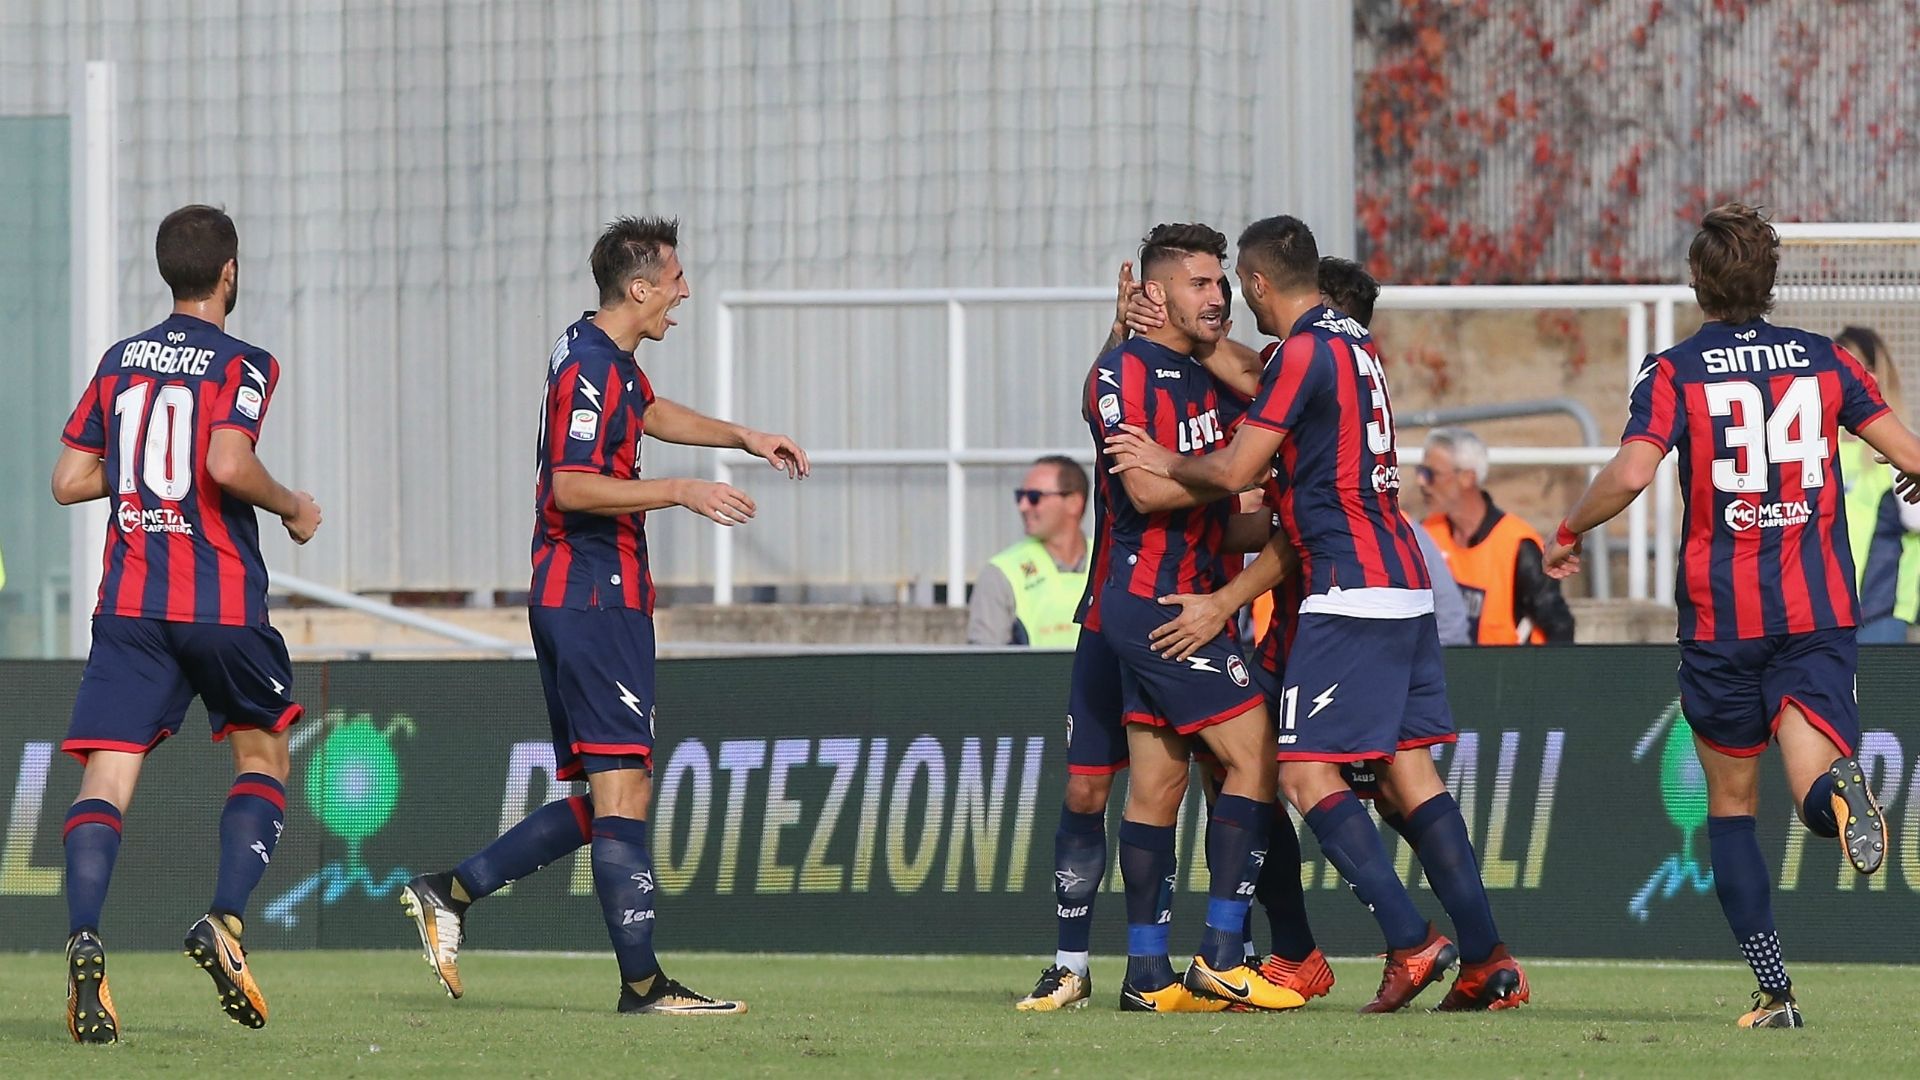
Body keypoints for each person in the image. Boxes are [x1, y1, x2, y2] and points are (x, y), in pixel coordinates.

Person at [1108, 215, 1528, 1013]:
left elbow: (1238, 470)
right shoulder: (1349, 345)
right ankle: (1485, 960)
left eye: (1235, 286)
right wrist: (1168, 325)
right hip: (1398, 584)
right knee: (1403, 775)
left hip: (1344, 591)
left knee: (1294, 770)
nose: (1232, 301)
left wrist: (1163, 459)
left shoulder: (1303, 353)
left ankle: (1406, 941)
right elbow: (1244, 366)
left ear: (1260, 283)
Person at [400, 216, 808, 1016]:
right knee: (623, 790)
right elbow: (573, 486)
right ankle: (644, 986)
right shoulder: (591, 366)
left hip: (585, 595)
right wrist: (681, 490)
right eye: (676, 279)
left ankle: (454, 890)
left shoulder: (598, 353)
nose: (685, 292)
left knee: (621, 792)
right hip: (593, 593)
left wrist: (744, 436)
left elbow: (647, 411)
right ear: (640, 287)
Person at [1544, 203, 1920, 1028]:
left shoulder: (1675, 371)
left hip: (1723, 623)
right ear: (1771, 278)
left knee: (1732, 809)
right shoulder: (1826, 360)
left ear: (1698, 281)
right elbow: (1909, 452)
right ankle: (1840, 790)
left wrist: (1568, 529)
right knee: (1813, 785)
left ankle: (1775, 991)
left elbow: (1632, 474)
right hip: (1816, 614)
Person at [49, 205, 324, 1043]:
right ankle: (225, 921)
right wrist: (292, 506)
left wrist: (139, 470)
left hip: (131, 605)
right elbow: (227, 463)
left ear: (168, 271)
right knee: (264, 755)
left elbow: (68, 480)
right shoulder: (244, 362)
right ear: (229, 272)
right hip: (218, 602)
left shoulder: (120, 360)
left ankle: (85, 937)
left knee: (106, 780)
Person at [1017, 261, 1314, 1013]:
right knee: (1093, 785)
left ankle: (1160, 969)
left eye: (1222, 283)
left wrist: (1269, 505)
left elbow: (1254, 422)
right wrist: (1230, 474)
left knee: (1173, 782)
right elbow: (1143, 483)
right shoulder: (1123, 370)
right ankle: (1080, 962)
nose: (1218, 296)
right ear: (1155, 295)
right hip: (1130, 607)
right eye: (1200, 284)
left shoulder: (1228, 380)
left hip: (1192, 602)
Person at [1419, 427, 1576, 644]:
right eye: (1421, 472)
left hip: (1506, 665)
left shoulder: (1518, 545)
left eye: (1430, 474)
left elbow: (1560, 626)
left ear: (1467, 478)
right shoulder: (1425, 535)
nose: (1421, 482)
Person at [1833, 326, 1920, 643]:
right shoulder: (1821, 447)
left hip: (1879, 612)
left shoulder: (1903, 448)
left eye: (1859, 367)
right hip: (1824, 612)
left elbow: (1915, 519)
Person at [966, 456, 1090, 646]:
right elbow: (983, 659)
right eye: (1020, 496)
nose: (1022, 506)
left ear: (1073, 503)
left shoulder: (1113, 560)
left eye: (1034, 497)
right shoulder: (1001, 572)